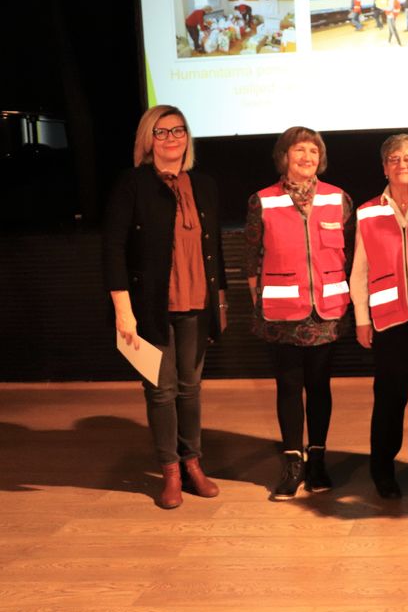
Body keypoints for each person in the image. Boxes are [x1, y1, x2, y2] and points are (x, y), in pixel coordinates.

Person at [102, 105, 226, 509]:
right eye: (162, 132)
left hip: (197, 302)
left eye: (178, 131)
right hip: (149, 307)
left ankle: (193, 465)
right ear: (147, 139)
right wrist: (123, 309)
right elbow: (113, 249)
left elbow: (214, 251)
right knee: (161, 391)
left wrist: (220, 299)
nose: (172, 138)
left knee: (190, 390)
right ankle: (169, 471)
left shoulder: (203, 184)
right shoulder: (132, 184)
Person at [245, 126, 354, 501]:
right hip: (282, 315)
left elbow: (350, 256)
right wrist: (259, 308)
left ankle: (318, 458)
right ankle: (293, 462)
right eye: (298, 151)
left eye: (312, 150)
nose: (306, 157)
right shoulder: (262, 200)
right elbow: (252, 260)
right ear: (284, 157)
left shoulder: (339, 199)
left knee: (320, 387)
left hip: (327, 313)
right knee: (289, 387)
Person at [351, 134, 408, 498]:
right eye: (394, 158)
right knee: (389, 401)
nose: (402, 164)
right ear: (384, 166)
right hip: (388, 322)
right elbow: (359, 270)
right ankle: (382, 471)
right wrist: (362, 316)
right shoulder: (368, 211)